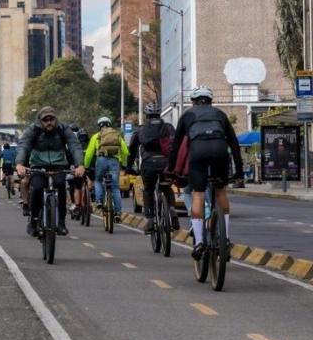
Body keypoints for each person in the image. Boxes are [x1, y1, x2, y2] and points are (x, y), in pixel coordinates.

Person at [167, 86, 243, 260]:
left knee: (198, 195)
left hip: (199, 151)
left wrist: (171, 169)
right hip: (219, 150)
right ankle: (225, 238)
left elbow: (176, 146)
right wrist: (239, 172)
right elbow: (234, 144)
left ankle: (199, 242)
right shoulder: (220, 114)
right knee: (221, 191)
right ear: (211, 101)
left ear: (193, 101)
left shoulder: (187, 115)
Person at [16, 107, 85, 237]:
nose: (49, 122)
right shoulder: (33, 130)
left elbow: (74, 146)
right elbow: (23, 145)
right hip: (38, 164)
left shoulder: (63, 129)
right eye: (45, 120)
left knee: (60, 185)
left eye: (51, 119)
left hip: (58, 164)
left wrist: (80, 165)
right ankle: (34, 220)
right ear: (40, 121)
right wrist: (20, 164)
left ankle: (61, 223)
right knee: (37, 188)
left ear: (56, 119)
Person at [128, 104, 177, 235]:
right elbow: (176, 144)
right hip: (166, 163)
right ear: (159, 114)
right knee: (167, 188)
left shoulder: (141, 130)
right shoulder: (168, 127)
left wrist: (128, 166)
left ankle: (150, 220)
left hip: (149, 163)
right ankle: (172, 210)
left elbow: (132, 150)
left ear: (146, 116)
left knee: (148, 189)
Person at [83, 116, 129, 223]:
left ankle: (99, 201)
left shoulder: (96, 136)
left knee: (98, 180)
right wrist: (124, 164)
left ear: (99, 126)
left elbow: (89, 153)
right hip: (114, 162)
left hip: (101, 160)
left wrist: (86, 166)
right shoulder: (117, 135)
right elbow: (125, 152)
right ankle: (117, 213)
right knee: (115, 188)